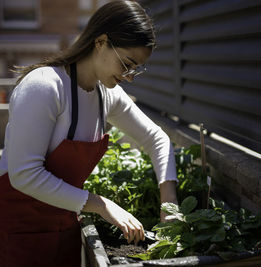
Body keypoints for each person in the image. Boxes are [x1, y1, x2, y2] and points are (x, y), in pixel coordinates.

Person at [0, 1, 178, 266]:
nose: (130, 76)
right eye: (127, 63)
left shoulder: (107, 95)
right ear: (101, 42)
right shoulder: (45, 87)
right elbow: (24, 174)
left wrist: (169, 202)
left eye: (136, 69)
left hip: (65, 222)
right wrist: (102, 205)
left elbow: (157, 138)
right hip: (18, 229)